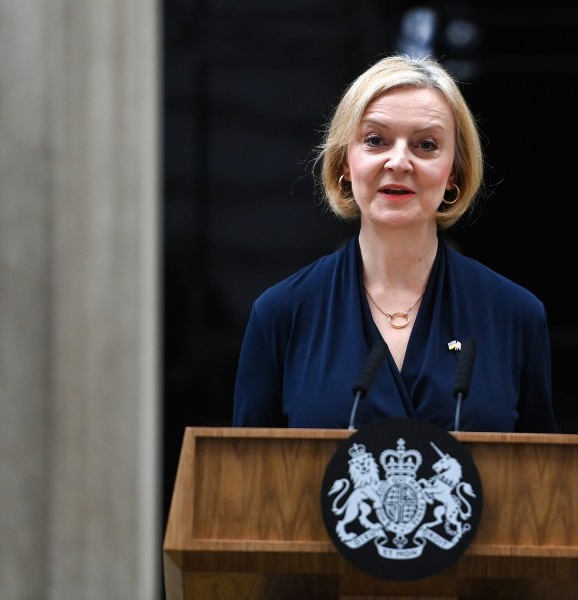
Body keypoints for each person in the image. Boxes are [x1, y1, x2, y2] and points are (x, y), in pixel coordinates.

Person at [231, 53, 557, 433]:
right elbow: (247, 483)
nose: (399, 161)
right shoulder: (281, 314)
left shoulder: (515, 316)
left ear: (454, 172)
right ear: (344, 164)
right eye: (375, 140)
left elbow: (542, 481)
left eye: (426, 145)